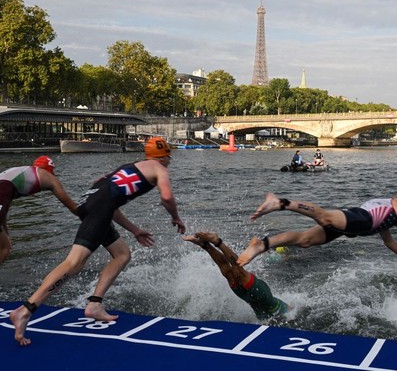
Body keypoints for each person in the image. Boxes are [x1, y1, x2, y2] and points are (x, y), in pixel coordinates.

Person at [10, 137, 186, 346]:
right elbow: (166, 197)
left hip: (90, 205)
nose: (169, 162)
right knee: (73, 263)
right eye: (169, 157)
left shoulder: (128, 167)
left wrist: (135, 230)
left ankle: (94, 305)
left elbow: (107, 200)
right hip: (98, 211)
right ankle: (26, 310)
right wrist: (175, 216)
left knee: (122, 255)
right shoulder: (160, 169)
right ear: (164, 156)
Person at [237, 193, 397, 279]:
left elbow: (389, 242)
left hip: (357, 224)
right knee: (324, 217)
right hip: (360, 220)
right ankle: (280, 203)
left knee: (305, 241)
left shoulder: (387, 214)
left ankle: (262, 245)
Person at [183, 232, 289, 319]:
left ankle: (205, 245)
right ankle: (217, 242)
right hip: (260, 293)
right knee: (238, 269)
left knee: (228, 273)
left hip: (247, 297)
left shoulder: (289, 311)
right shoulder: (290, 313)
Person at [0, 156, 79, 264]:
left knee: (5, 247)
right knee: (5, 248)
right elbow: (72, 206)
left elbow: (4, 202)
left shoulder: (21, 172)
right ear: (50, 170)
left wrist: (5, 229)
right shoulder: (49, 177)